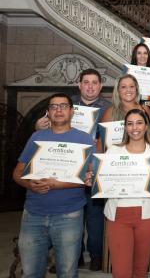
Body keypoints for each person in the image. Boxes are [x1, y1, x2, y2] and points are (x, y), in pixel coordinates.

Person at [35, 69, 110, 271]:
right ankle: (74, 255)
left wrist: (103, 142)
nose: (90, 86)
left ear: (100, 86)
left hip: (94, 165)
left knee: (95, 215)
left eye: (95, 83)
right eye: (86, 82)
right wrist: (38, 125)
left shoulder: (109, 108)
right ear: (79, 84)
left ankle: (96, 255)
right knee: (73, 214)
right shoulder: (65, 104)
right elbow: (47, 130)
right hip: (67, 166)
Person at [13, 93, 94, 276]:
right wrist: (30, 185)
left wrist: (59, 184)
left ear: (72, 111)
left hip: (69, 215)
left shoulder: (85, 140)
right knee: (31, 272)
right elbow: (17, 173)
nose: (58, 110)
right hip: (33, 214)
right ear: (48, 112)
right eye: (53, 107)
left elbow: (90, 178)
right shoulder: (36, 137)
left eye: (63, 106)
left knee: (66, 272)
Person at [99, 109, 150, 277]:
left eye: (139, 122)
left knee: (140, 271)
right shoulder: (113, 151)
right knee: (121, 272)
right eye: (130, 123)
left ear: (146, 126)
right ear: (125, 128)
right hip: (118, 216)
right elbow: (103, 182)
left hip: (148, 216)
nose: (135, 127)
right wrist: (95, 181)